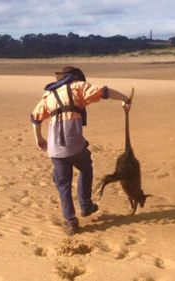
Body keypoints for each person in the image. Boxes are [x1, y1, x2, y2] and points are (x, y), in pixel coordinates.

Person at [30, 66, 132, 235]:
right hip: (75, 145)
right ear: (75, 78)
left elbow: (35, 117)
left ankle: (70, 221)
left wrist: (38, 138)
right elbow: (104, 92)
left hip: (55, 149)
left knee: (63, 184)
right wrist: (125, 98)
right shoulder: (78, 88)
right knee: (85, 169)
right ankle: (85, 205)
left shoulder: (49, 95)